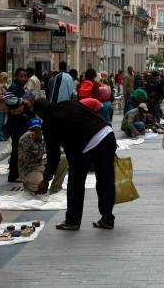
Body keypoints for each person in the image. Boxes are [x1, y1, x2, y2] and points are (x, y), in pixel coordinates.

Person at [33, 98, 117, 230]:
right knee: (105, 180)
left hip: (87, 144)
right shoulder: (68, 102)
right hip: (107, 134)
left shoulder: (49, 122)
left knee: (75, 183)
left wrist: (46, 179)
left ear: (39, 113)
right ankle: (107, 219)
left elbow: (53, 155)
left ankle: (73, 221)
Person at [18, 118, 67, 194]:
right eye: (33, 129)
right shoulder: (25, 138)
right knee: (39, 188)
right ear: (29, 130)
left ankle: (55, 188)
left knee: (63, 159)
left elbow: (56, 150)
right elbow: (22, 160)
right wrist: (30, 141)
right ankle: (28, 185)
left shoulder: (45, 136)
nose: (36, 131)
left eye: (38, 129)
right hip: (30, 168)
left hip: (41, 163)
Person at [5, 68, 33, 182]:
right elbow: (7, 100)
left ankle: (17, 173)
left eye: (25, 76)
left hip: (20, 122)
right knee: (17, 149)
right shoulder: (14, 87)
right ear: (16, 77)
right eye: (21, 76)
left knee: (20, 148)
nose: (24, 78)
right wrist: (22, 101)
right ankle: (14, 174)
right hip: (16, 123)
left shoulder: (20, 87)